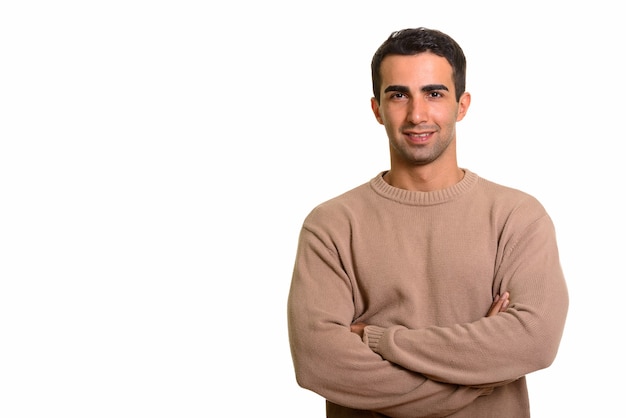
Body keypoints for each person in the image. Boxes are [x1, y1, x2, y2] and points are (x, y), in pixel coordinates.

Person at [287, 27, 569, 417]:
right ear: (376, 109)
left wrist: (381, 340)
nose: (417, 114)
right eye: (398, 95)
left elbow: (534, 341)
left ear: (462, 105)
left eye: (434, 94)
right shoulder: (332, 225)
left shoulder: (517, 217)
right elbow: (319, 364)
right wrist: (478, 378)